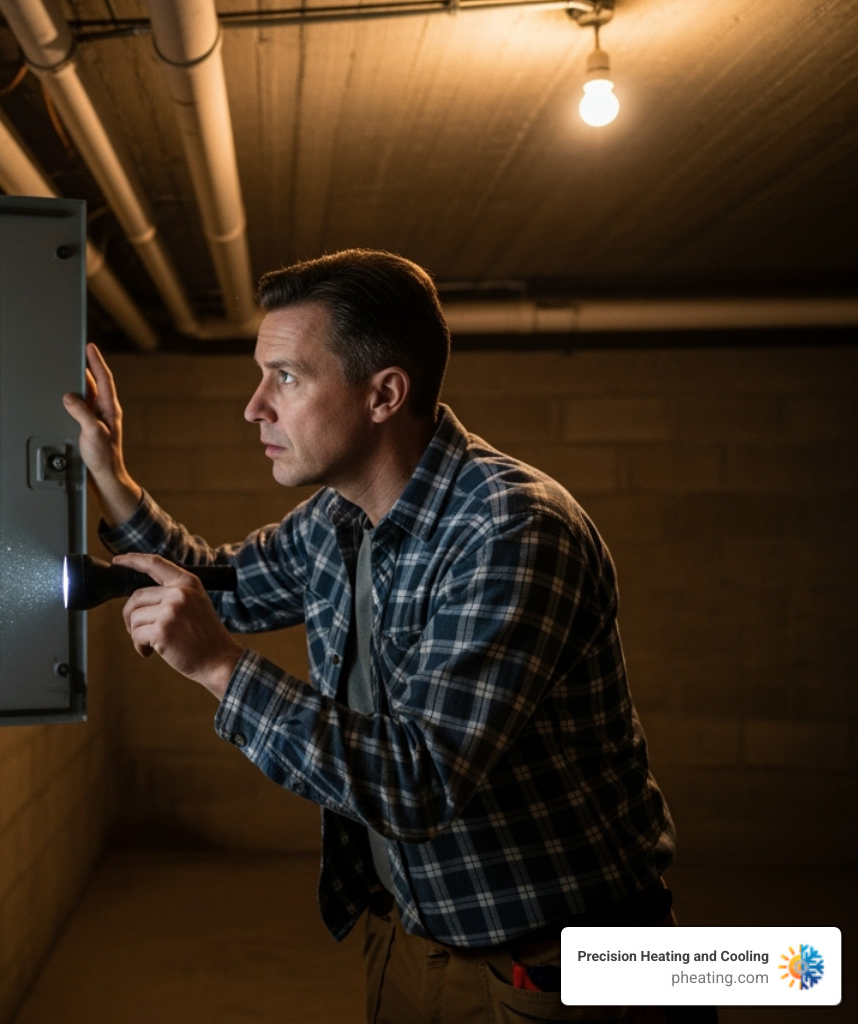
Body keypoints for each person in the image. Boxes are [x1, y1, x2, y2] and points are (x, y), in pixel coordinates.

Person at [63, 249, 685, 1023]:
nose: (255, 407)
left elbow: (419, 781)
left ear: (385, 393)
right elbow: (216, 579)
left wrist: (220, 668)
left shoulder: (512, 528)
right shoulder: (338, 518)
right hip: (412, 935)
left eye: (285, 377)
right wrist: (109, 469)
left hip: (563, 964)